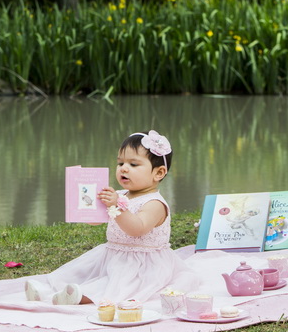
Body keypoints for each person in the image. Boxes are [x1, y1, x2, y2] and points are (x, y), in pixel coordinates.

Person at [24, 130, 200, 305]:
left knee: (115, 285)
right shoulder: (119, 195)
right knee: (79, 273)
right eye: (120, 163)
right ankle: (48, 291)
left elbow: (137, 228)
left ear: (158, 173)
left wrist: (116, 205)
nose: (124, 168)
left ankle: (77, 297)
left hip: (142, 264)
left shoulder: (155, 204)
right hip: (112, 255)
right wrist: (87, 208)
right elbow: (97, 219)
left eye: (133, 164)